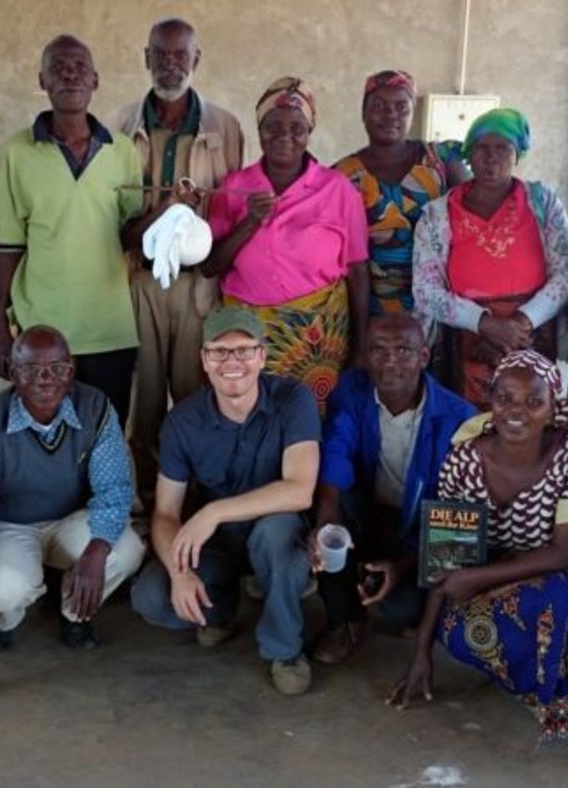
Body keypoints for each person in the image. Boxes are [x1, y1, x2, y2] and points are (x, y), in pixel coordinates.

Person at [387, 350, 568, 742]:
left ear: (553, 407)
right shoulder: (464, 458)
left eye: (534, 401)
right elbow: (446, 554)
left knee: (553, 599)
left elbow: (567, 552)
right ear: (491, 399)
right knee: (458, 632)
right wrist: (423, 649)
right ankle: (533, 678)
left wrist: (478, 576)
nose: (516, 411)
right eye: (505, 398)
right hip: (489, 580)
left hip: (560, 577)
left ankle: (551, 694)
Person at [130, 307, 321, 695]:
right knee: (151, 597)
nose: (232, 362)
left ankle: (284, 649)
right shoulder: (183, 422)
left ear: (262, 356)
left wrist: (214, 511)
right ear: (203, 360)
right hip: (219, 545)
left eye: (244, 350)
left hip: (274, 534)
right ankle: (221, 607)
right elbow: (166, 513)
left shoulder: (292, 400)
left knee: (276, 534)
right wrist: (179, 572)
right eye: (219, 351)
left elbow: (300, 490)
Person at [0, 325, 144, 696]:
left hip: (70, 520)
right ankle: (2, 621)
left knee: (125, 549)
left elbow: (114, 489)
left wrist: (96, 552)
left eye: (56, 367)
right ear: (11, 372)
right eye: (30, 369)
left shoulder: (95, 407)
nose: (45, 379)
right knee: (5, 589)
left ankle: (75, 614)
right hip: (8, 526)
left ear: (71, 370)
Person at [109, 18, 245, 514]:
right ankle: (147, 500)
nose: (170, 65)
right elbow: (116, 216)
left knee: (195, 393)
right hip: (140, 280)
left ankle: (195, 498)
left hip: (198, 285)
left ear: (196, 60)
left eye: (180, 55)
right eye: (160, 55)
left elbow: (231, 207)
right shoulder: (121, 125)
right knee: (143, 398)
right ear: (146, 59)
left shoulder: (224, 127)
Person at [0, 35, 144, 423]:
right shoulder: (17, 151)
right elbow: (9, 246)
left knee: (105, 433)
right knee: (45, 433)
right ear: (42, 80)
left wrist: (173, 211)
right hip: (41, 327)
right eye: (58, 67)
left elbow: (130, 235)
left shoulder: (122, 150)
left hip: (109, 326)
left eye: (79, 67)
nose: (69, 76)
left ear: (95, 80)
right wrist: (1, 330)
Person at [310, 313, 476, 663]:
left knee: (403, 609)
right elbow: (337, 449)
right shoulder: (351, 391)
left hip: (420, 533)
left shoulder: (459, 418)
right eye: (378, 350)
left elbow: (457, 520)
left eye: (403, 350)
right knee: (323, 506)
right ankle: (345, 621)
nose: (389, 361)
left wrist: (403, 565)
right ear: (365, 355)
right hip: (370, 514)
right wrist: (326, 519)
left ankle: (403, 596)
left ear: (424, 357)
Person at [202, 77, 369, 412]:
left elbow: (358, 270)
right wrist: (250, 221)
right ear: (259, 130)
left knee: (313, 420)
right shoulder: (234, 187)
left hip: (318, 338)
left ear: (310, 132)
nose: (284, 137)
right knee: (251, 419)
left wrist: (360, 344)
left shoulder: (337, 190)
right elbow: (210, 266)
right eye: (272, 127)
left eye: (297, 128)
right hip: (249, 336)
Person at [412, 108, 568, 410]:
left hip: (532, 334)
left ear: (517, 154)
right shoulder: (438, 214)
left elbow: (567, 273)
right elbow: (425, 290)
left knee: (527, 418)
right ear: (468, 155)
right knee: (468, 426)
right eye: (481, 148)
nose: (491, 157)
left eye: (503, 148)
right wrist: (484, 323)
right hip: (465, 340)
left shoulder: (543, 202)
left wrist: (522, 321)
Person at [333, 70, 469, 318]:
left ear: (412, 113)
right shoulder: (342, 175)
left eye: (401, 106)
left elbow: (473, 226)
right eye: (378, 106)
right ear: (363, 113)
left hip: (438, 306)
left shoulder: (441, 160)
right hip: (368, 309)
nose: (390, 114)